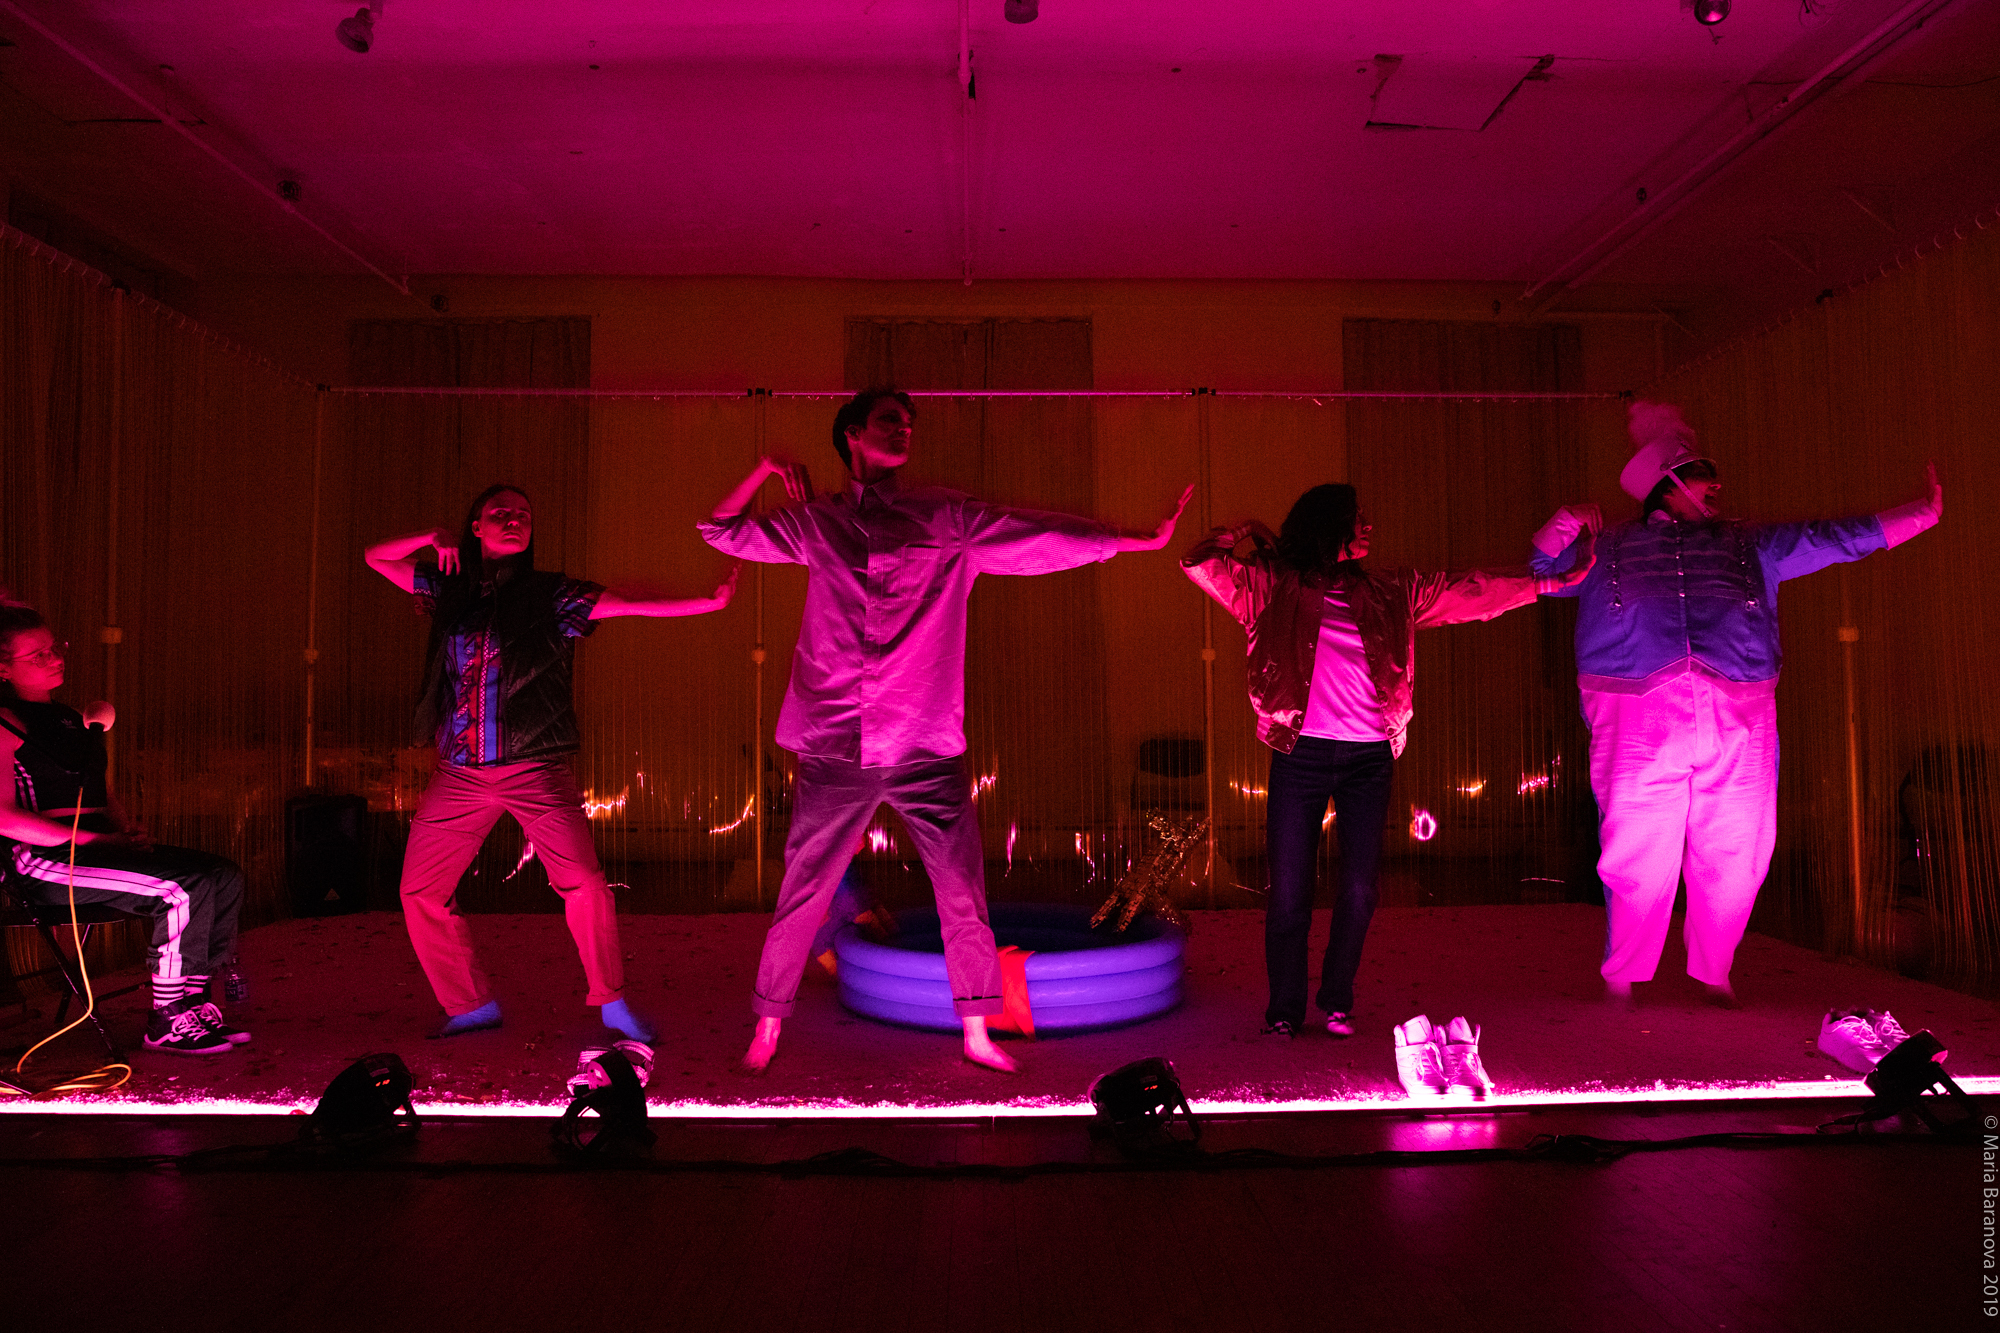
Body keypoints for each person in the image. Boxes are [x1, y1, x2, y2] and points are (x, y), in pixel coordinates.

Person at [700, 386, 1191, 1074]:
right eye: (887, 421)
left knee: (961, 889)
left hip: (923, 742)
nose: (902, 431)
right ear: (851, 436)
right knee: (804, 888)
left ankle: (976, 1029)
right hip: (837, 743)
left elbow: (1036, 533)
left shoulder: (945, 517)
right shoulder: (819, 522)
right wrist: (762, 465)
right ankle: (767, 1025)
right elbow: (720, 529)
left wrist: (1130, 539)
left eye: (908, 423)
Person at [1530, 402, 1942, 1005]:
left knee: (1740, 844)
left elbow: (1833, 538)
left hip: (1740, 709)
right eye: (1702, 473)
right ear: (1665, 486)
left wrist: (1920, 515)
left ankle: (1714, 968)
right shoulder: (1610, 549)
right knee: (1636, 846)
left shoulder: (1751, 543)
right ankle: (1623, 972)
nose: (1716, 485)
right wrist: (1566, 520)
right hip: (1635, 712)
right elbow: (1543, 569)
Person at [1182, 484, 1593, 1043]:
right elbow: (1201, 562)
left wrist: (1547, 581)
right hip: (1299, 756)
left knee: (1358, 887)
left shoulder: (1390, 590)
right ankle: (1284, 1008)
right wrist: (1248, 527)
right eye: (1358, 519)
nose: (1369, 527)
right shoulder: (1271, 588)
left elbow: (1469, 590)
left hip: (1368, 760)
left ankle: (1336, 1001)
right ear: (1330, 526)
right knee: (1289, 891)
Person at [365, 483, 737, 1039]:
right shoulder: (449, 587)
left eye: (523, 514)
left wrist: (705, 602)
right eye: (500, 513)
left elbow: (627, 600)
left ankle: (610, 1001)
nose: (514, 520)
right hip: (460, 772)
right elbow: (377, 558)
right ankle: (468, 1005)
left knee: (584, 882)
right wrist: (428, 536)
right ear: (475, 526)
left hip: (533, 769)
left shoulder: (550, 595)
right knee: (420, 891)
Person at [0, 600, 250, 1055]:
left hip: (98, 847)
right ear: (2, 669)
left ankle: (192, 1003)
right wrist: (97, 839)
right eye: (38, 655)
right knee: (181, 889)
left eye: (55, 648)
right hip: (41, 862)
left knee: (222, 875)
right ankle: (167, 1019)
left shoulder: (73, 719)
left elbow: (99, 790)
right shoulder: (5, 724)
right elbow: (5, 818)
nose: (55, 658)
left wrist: (126, 829)